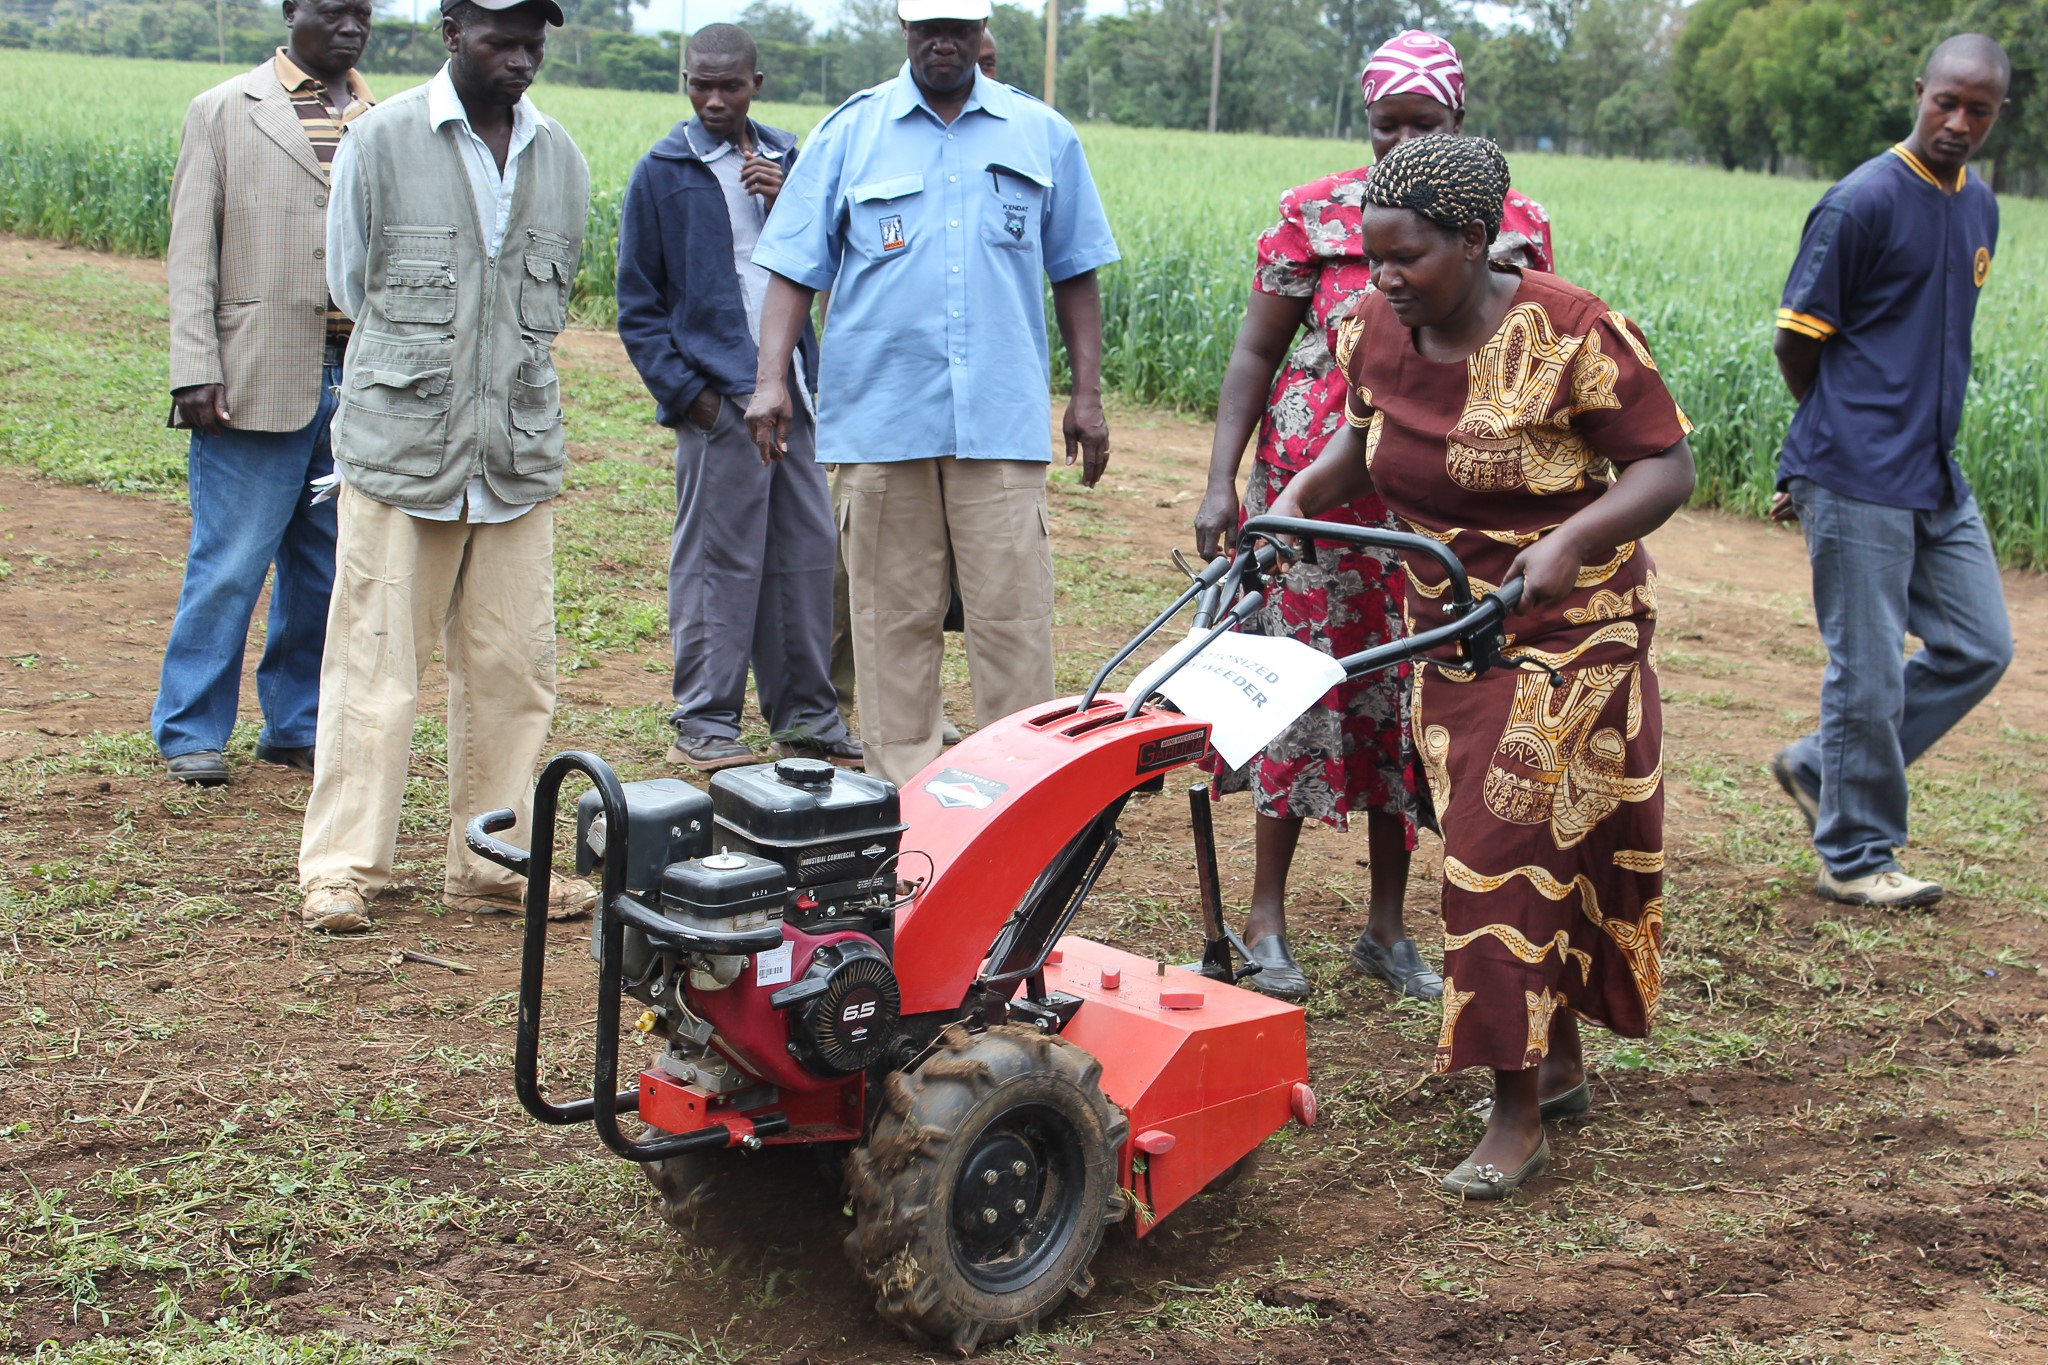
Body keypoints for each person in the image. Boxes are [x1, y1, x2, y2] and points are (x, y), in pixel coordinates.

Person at [1270, 135, 1695, 1198]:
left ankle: (1513, 1114)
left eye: (1405, 258)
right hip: (1451, 633)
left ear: (1473, 240)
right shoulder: (1372, 328)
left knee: (1492, 855)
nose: (1382, 280)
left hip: (1571, 631)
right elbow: (1355, 444)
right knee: (1515, 843)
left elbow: (1665, 464)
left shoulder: (1571, 335)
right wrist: (1289, 508)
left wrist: (1566, 541)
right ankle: (1553, 1062)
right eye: (1371, 260)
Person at [1193, 30, 1556, 1002]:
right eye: (1384, 125)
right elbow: (1252, 354)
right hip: (1311, 501)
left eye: (1422, 125)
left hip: (1436, 506)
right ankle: (1264, 918)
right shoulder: (1312, 215)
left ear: (1459, 120)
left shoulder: (1513, 222)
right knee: (1294, 689)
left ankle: (1386, 930)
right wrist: (1223, 481)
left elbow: (1530, 356)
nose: (1399, 143)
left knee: (1406, 701)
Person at [746, 0, 1118, 789]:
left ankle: (1018, 805)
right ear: (903, 31)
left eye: (957, 26)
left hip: (1000, 425)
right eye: (927, 28)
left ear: (982, 31)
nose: (942, 41)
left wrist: (1088, 395)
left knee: (1014, 626)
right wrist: (770, 379)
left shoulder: (1040, 133)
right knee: (890, 627)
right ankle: (905, 810)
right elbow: (792, 266)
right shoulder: (850, 132)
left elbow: (1076, 270)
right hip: (882, 422)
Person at [296, 0, 595, 933]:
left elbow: (552, 296)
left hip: (513, 459)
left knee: (513, 669)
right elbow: (352, 282)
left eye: (532, 43)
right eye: (500, 40)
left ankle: (493, 861)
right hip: (401, 452)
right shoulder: (381, 141)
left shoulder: (563, 160)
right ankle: (341, 867)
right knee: (374, 666)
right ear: (452, 34)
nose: (520, 58)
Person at [1766, 34, 2014, 911]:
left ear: (1995, 115)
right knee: (1866, 671)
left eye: (1977, 110)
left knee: (1981, 645)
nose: (1956, 121)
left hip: (1931, 471)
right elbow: (1797, 340)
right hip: (1856, 468)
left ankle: (1815, 766)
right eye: (1945, 101)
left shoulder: (1978, 205)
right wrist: (1827, 439)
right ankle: (1856, 852)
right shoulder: (1862, 201)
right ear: (1920, 92)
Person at [616, 24, 858, 773]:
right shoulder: (663, 171)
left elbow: (840, 259)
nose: (715, 99)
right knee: (719, 561)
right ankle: (707, 720)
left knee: (805, 556)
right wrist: (693, 398)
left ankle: (807, 714)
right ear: (686, 82)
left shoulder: (792, 159)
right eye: (700, 84)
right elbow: (640, 304)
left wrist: (790, 203)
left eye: (730, 84)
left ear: (758, 82)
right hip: (721, 405)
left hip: (795, 395)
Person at [155, 0, 376, 787]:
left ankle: (294, 725)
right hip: (252, 371)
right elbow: (190, 250)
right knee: (229, 564)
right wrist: (193, 366)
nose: (350, 26)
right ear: (291, 12)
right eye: (332, 9)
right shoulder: (224, 109)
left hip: (357, 381)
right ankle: (189, 730)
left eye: (363, 12)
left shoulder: (383, 119)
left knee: (324, 570)